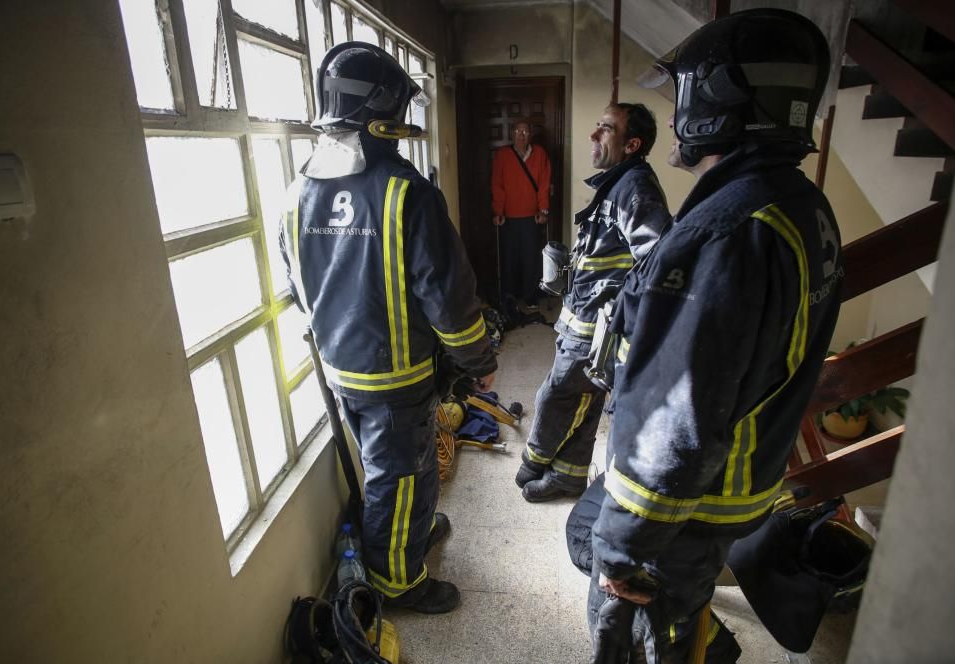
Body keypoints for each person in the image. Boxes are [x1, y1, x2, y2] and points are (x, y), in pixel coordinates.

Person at [585, 9, 842, 664]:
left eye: (685, 95)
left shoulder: (726, 232)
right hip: (736, 484)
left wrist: (621, 544)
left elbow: (678, 421)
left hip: (687, 504)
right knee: (651, 586)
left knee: (639, 630)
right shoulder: (801, 206)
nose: (674, 116)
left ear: (726, 97)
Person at [280, 42, 497, 615]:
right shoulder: (409, 194)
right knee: (403, 474)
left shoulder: (295, 196)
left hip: (340, 368)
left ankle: (409, 533)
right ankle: (398, 581)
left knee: (396, 472)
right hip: (396, 375)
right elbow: (449, 301)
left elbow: (298, 287)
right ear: (384, 114)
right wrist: (480, 360)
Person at [515, 103, 671, 502]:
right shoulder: (617, 183)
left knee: (556, 393)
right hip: (580, 318)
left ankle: (535, 460)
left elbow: (658, 265)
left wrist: (619, 312)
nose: (593, 135)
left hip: (596, 327)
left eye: (605, 128)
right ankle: (568, 477)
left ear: (631, 144)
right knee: (584, 399)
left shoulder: (636, 189)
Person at [491, 121, 552, 309]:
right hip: (508, 217)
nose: (521, 134)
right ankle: (509, 294)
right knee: (509, 258)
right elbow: (497, 185)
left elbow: (544, 184)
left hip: (531, 216)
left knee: (531, 257)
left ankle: (530, 294)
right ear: (512, 134)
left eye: (525, 131)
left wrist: (543, 210)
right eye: (518, 131)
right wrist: (498, 211)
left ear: (530, 134)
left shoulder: (540, 154)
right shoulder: (502, 155)